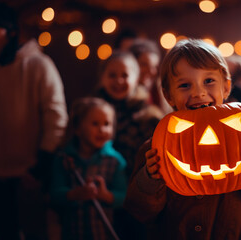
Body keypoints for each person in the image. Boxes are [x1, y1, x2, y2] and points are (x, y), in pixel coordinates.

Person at [123, 39, 241, 240]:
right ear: (168, 95)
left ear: (226, 88)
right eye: (184, 85)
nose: (198, 92)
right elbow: (139, 211)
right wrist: (150, 178)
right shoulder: (155, 149)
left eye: (208, 81)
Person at [0, 3, 68, 240]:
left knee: (35, 234)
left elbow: (56, 116)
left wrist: (41, 165)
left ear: (9, 32)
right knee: (2, 233)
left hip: (28, 174)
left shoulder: (38, 65)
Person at [94, 50, 163, 239]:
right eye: (112, 75)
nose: (118, 81)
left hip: (136, 197)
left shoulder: (149, 116)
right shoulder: (91, 111)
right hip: (99, 194)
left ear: (136, 78)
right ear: (102, 77)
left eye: (124, 75)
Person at [49, 97, 127, 240]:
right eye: (95, 124)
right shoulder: (64, 159)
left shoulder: (115, 161)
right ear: (78, 128)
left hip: (103, 235)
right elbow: (54, 194)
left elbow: (125, 197)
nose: (102, 130)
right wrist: (74, 194)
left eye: (107, 124)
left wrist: (106, 196)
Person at [129, 38, 173, 114]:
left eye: (154, 66)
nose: (151, 71)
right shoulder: (125, 96)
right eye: (144, 65)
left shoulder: (162, 93)